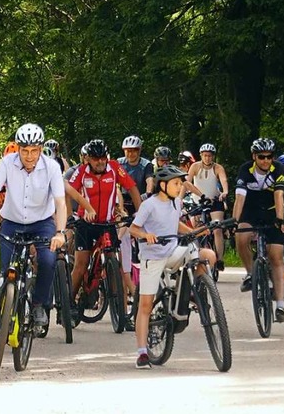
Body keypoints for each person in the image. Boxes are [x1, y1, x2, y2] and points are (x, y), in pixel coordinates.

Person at [0, 123, 67, 346]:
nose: (29, 156)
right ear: (18, 149)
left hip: (41, 222)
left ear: (41, 148)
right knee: (4, 273)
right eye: (25, 150)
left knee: (47, 259)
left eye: (34, 150)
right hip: (12, 222)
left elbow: (60, 203)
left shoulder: (52, 167)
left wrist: (60, 232)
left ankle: (38, 307)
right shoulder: (7, 163)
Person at [129, 165, 216, 369]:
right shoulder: (149, 205)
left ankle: (195, 291)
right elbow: (134, 228)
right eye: (176, 183)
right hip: (152, 257)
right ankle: (142, 352)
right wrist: (146, 235)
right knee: (145, 306)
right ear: (163, 185)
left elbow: (176, 224)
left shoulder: (176, 203)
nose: (180, 187)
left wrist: (196, 232)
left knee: (206, 255)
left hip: (172, 251)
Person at [67, 139, 141, 329]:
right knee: (81, 265)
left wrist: (140, 215)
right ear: (88, 159)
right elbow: (67, 193)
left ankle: (122, 315)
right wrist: (68, 217)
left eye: (102, 158)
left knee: (113, 262)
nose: (100, 162)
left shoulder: (115, 168)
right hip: (86, 224)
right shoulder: (81, 172)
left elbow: (132, 188)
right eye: (95, 159)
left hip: (107, 223)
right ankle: (69, 304)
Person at [233, 138, 284, 323]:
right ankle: (250, 273)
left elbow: (279, 195)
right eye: (261, 157)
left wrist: (280, 219)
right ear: (254, 156)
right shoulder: (245, 170)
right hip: (250, 210)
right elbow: (239, 198)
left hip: (272, 212)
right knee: (241, 235)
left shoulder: (279, 168)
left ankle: (280, 306)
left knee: (276, 257)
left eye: (269, 156)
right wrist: (234, 221)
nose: (266, 160)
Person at [118, 135, 154, 300]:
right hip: (122, 202)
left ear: (139, 151)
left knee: (143, 229)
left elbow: (149, 181)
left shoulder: (146, 164)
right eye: (128, 151)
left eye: (134, 151)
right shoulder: (119, 163)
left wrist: (147, 193)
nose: (131, 154)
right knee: (121, 232)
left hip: (140, 199)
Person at [187, 143, 230, 271]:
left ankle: (220, 259)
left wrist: (225, 191)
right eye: (205, 156)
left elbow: (223, 180)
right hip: (198, 202)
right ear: (201, 156)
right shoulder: (195, 167)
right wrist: (179, 198)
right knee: (196, 230)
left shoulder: (218, 168)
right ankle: (195, 256)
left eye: (210, 156)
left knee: (217, 228)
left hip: (214, 202)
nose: (207, 158)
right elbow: (187, 183)